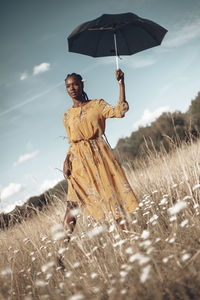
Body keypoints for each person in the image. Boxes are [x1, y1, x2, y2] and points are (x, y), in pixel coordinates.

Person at [62, 69, 138, 241]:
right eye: (68, 86)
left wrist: (121, 84)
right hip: (78, 162)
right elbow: (71, 142)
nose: (72, 88)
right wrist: (67, 160)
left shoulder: (97, 105)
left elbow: (120, 111)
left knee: (113, 198)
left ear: (82, 84)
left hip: (99, 157)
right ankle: (60, 255)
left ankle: (130, 240)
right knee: (71, 204)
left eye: (75, 84)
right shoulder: (66, 116)